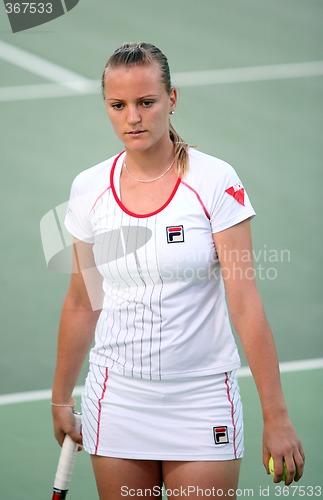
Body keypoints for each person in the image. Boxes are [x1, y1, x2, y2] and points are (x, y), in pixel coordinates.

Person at [51, 42, 305, 499]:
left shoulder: (215, 181)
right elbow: (82, 299)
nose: (133, 117)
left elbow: (245, 303)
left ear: (172, 98)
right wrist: (60, 397)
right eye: (118, 105)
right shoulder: (88, 188)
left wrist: (277, 414)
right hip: (118, 396)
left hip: (202, 399)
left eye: (146, 102)